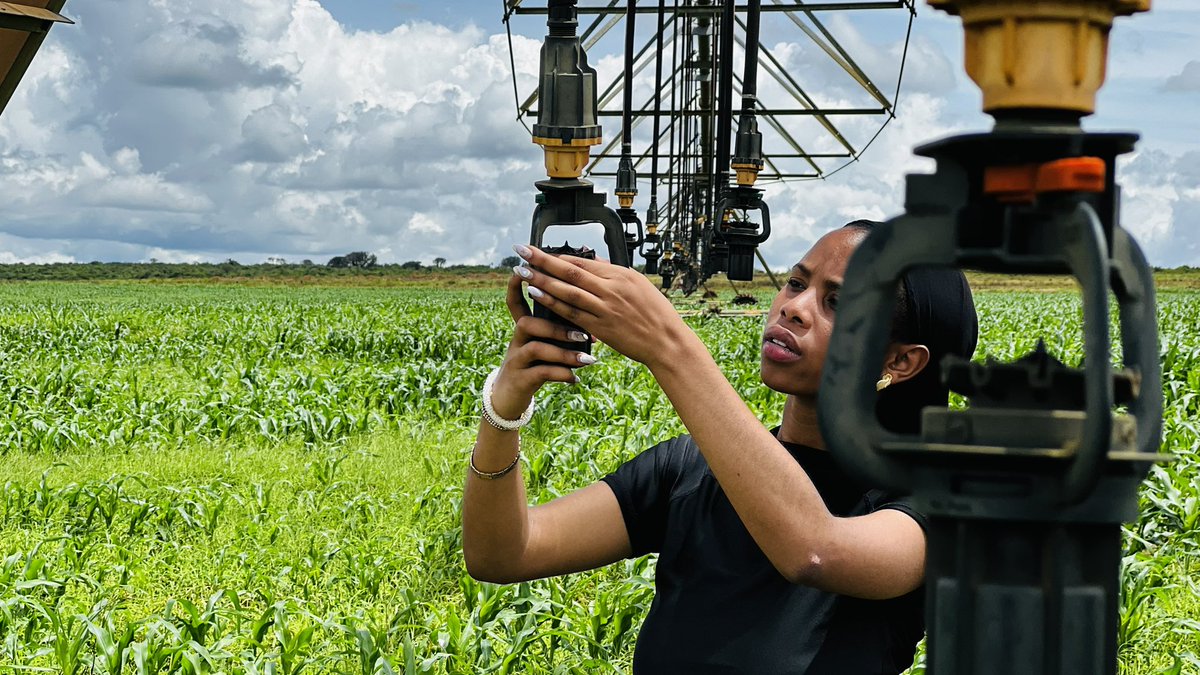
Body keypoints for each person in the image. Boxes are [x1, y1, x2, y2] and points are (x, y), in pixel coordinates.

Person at [461, 221, 978, 673]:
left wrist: (670, 345)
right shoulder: (690, 469)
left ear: (901, 362)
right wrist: (504, 410)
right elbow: (504, 554)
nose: (793, 309)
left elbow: (816, 552)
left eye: (837, 303)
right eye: (796, 283)